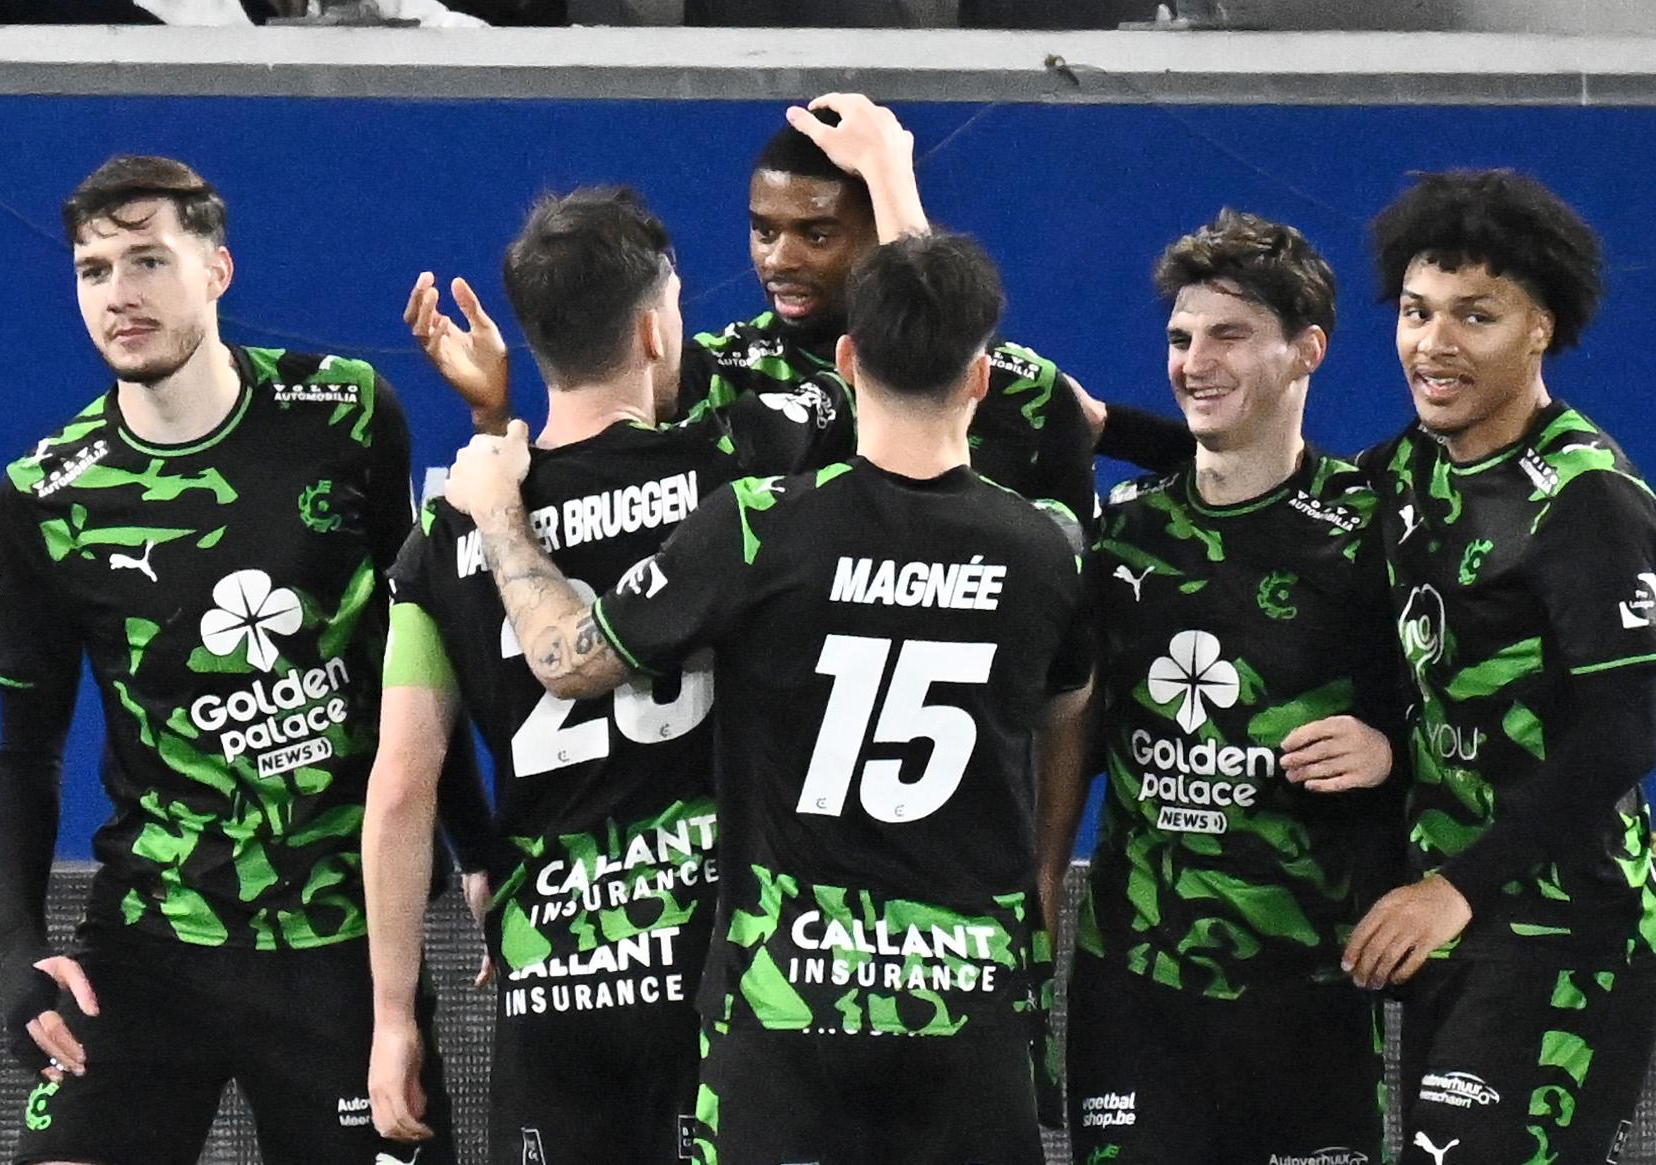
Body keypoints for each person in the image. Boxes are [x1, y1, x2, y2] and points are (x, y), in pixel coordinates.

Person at [443, 232, 1096, 1165]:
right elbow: (1067, 708)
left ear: (845, 359)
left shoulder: (760, 523)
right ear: (981, 377)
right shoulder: (1047, 547)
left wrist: (498, 508)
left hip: (786, 1010)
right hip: (967, 1007)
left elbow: (564, 660)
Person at [0, 154, 477, 1165]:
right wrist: (15, 949)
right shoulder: (45, 496)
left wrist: (480, 852)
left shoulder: (346, 414)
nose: (121, 295)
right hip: (152, 945)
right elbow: (26, 751)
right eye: (94, 269)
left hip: (342, 945)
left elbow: (415, 658)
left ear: (217, 269)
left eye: (149, 260)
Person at [363, 186, 853, 1163]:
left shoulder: (451, 525)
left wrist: (390, 1019)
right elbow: (873, 389)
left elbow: (403, 785)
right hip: (730, 976)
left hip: (558, 987)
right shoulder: (737, 465)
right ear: (650, 327)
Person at [1060, 210, 1404, 1164]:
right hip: (1135, 987)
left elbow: (1473, 715)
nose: (1193, 361)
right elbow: (1067, 732)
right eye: (1179, 337)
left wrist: (1391, 747)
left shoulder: (1373, 528)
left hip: (1312, 992)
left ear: (1308, 351)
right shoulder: (1120, 528)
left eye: (1228, 335)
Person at [1340, 169, 1656, 1164]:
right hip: (1449, 933)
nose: (1431, 344)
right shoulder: (1406, 469)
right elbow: (1279, 510)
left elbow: (1628, 727)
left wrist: (1455, 887)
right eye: (1413, 312)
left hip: (1564, 934)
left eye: (1473, 316)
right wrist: (1111, 432)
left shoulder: (1585, 497)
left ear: (1540, 326)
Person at [409, 93, 1098, 525]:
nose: (778, 258)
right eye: (764, 230)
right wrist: (491, 419)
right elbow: (586, 499)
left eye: (817, 234)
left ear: (876, 225)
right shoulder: (717, 370)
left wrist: (891, 176)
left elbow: (1072, 647)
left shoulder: (1021, 391)